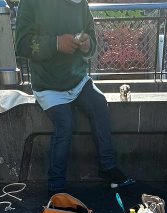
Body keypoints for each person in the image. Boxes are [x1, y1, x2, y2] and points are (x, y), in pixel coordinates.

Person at [15, 0, 134, 195]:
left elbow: (92, 40)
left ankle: (108, 166)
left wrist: (87, 45)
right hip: (47, 85)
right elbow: (21, 44)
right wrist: (55, 43)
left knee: (99, 103)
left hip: (78, 79)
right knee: (65, 123)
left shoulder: (81, 3)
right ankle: (56, 185)